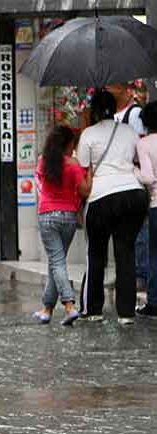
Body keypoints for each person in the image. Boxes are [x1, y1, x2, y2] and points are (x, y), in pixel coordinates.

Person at [77, 90, 149, 325]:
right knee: (125, 252)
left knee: (96, 254)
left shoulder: (89, 134)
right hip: (133, 195)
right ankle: (126, 313)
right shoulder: (129, 132)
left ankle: (94, 310)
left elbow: (83, 168)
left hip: (102, 197)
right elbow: (135, 159)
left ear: (94, 110)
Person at [32, 126, 88, 325]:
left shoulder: (42, 162)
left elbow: (40, 184)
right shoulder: (73, 165)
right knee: (57, 262)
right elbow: (84, 191)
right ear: (68, 144)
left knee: (57, 262)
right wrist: (89, 174)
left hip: (47, 215)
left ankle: (69, 305)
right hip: (68, 217)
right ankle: (47, 309)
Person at [107, 83, 148, 289]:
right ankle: (124, 273)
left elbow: (140, 147)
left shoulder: (134, 114)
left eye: (112, 86)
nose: (108, 89)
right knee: (120, 231)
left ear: (124, 88)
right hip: (117, 180)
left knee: (138, 230)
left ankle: (140, 273)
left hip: (134, 178)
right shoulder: (111, 116)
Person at [136, 102, 157, 317]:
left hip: (155, 205)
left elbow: (149, 177)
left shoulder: (144, 144)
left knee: (154, 254)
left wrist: (134, 171)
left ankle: (154, 301)